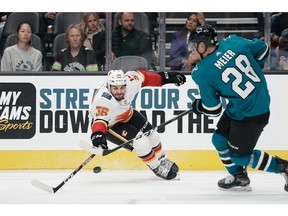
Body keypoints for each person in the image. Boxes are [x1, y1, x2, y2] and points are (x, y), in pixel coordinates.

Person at [188, 24, 288, 191]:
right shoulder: (233, 42)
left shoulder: (202, 72)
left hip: (252, 113)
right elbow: (263, 48)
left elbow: (213, 110)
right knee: (219, 140)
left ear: (202, 45)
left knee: (240, 157)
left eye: (193, 45)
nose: (191, 50)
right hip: (244, 105)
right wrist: (253, 67)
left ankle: (284, 168)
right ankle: (238, 177)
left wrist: (199, 106)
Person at [89, 69, 186, 180]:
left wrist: (164, 78)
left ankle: (161, 159)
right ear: (108, 85)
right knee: (141, 142)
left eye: (122, 87)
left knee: (152, 135)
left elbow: (144, 78)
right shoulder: (103, 100)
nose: (119, 91)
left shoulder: (131, 81)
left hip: (127, 114)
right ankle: (156, 167)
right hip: (110, 125)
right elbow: (99, 122)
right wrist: (98, 135)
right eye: (115, 88)